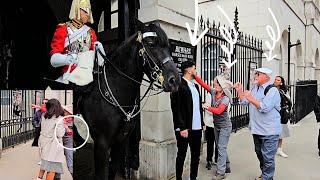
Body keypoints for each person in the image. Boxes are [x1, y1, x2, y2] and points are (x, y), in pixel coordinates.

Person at [234, 67, 281, 180]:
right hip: (257, 129)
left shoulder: (273, 91)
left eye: (258, 74)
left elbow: (264, 107)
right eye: (255, 74)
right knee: (260, 154)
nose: (255, 76)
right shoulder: (255, 88)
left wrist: (250, 98)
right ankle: (265, 174)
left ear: (266, 77)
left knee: (268, 157)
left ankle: (267, 177)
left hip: (270, 131)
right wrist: (240, 91)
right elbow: (245, 102)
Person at [49, 0, 105, 86]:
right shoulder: (63, 28)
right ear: (77, 10)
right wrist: (67, 59)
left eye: (89, 11)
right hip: (69, 76)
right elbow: (53, 60)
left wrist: (100, 51)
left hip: (88, 75)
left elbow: (99, 62)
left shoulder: (91, 32)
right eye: (85, 11)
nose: (88, 14)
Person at [195, 73, 233, 180]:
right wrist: (195, 76)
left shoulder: (225, 98)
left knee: (220, 147)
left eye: (216, 84)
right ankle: (227, 166)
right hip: (217, 125)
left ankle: (221, 172)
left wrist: (208, 107)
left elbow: (219, 111)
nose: (214, 85)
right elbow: (203, 84)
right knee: (221, 146)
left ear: (222, 86)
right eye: (214, 83)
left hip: (225, 126)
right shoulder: (213, 92)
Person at [170, 60, 204, 180]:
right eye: (194, 68)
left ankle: (193, 178)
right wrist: (182, 127)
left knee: (196, 155)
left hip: (197, 127)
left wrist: (202, 123)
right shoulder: (179, 85)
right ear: (188, 70)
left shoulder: (195, 86)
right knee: (182, 154)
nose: (195, 71)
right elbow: (176, 108)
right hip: (185, 128)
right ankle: (178, 178)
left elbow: (197, 106)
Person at [37, 99, 66, 180]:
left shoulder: (44, 116)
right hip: (53, 147)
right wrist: (64, 126)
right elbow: (60, 134)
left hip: (44, 143)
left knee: (44, 165)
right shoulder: (59, 118)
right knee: (52, 169)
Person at [274, 76, 292, 158]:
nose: (275, 81)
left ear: (281, 82)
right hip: (273, 113)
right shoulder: (271, 89)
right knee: (272, 132)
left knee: (281, 132)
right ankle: (272, 148)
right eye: (275, 79)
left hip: (282, 113)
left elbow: (288, 101)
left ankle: (279, 149)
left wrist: (288, 109)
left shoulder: (283, 91)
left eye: (278, 80)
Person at [203, 90, 218, 170]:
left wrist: (213, 109)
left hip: (219, 124)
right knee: (210, 143)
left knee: (218, 143)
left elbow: (226, 108)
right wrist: (217, 110)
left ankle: (217, 159)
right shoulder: (210, 94)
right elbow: (207, 108)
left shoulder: (225, 94)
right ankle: (209, 160)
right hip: (209, 123)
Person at [31, 98, 49, 166]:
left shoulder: (50, 112)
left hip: (48, 132)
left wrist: (38, 107)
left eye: (46, 103)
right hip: (40, 131)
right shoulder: (38, 112)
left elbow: (47, 112)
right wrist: (36, 125)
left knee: (46, 146)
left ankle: (47, 159)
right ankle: (42, 159)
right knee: (40, 146)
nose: (44, 104)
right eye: (43, 102)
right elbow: (34, 120)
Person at [62, 105, 74, 176]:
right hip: (59, 143)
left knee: (70, 162)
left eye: (65, 111)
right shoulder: (61, 119)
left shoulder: (74, 122)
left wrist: (67, 128)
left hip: (69, 144)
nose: (64, 112)